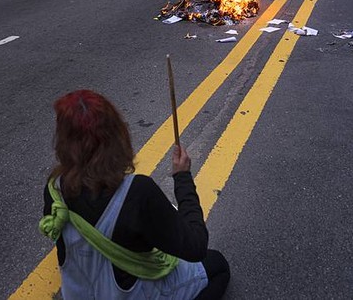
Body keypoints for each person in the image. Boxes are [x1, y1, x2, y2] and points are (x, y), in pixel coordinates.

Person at [41, 90, 230, 299]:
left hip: (82, 293)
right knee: (218, 265)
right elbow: (196, 247)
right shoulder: (137, 193)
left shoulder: (54, 189)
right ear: (117, 134)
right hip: (127, 293)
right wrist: (183, 178)